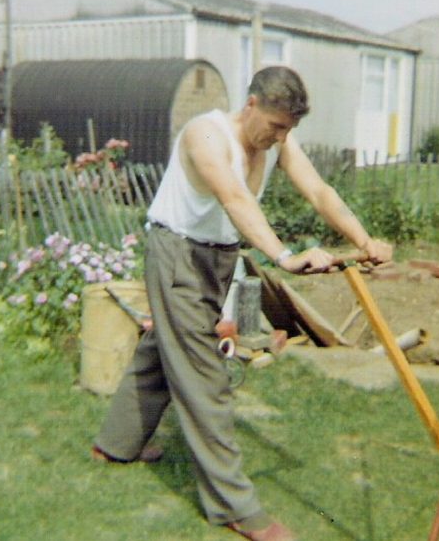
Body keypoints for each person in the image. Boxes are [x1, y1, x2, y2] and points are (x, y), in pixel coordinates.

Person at [92, 66, 392, 541]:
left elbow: (318, 191)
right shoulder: (204, 136)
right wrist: (285, 257)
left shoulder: (278, 141)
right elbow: (234, 198)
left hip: (217, 257)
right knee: (206, 378)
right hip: (179, 256)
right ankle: (237, 510)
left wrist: (364, 238)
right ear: (252, 104)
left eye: (288, 130)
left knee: (162, 349)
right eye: (275, 126)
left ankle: (114, 445)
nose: (279, 138)